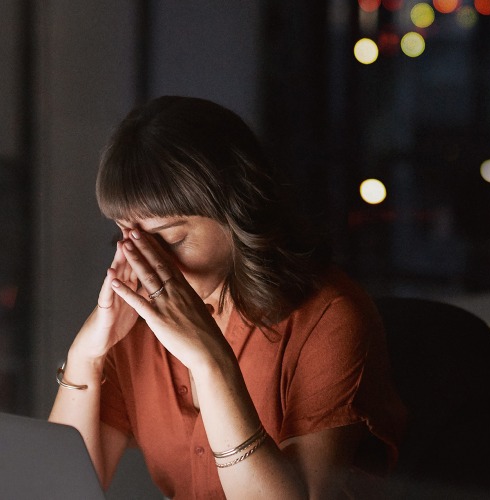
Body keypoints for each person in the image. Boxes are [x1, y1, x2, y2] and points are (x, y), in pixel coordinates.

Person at [48, 96, 405, 499]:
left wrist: (209, 361)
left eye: (171, 238)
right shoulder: (136, 325)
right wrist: (86, 355)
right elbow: (57, 490)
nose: (148, 262)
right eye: (127, 235)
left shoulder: (328, 318)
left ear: (237, 210)